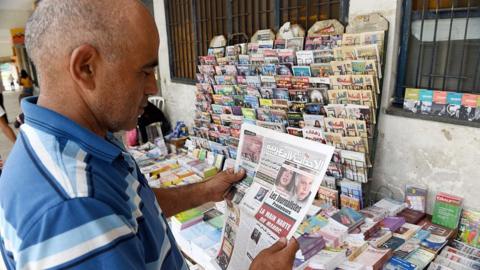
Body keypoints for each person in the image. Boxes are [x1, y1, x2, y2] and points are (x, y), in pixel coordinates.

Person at [0, 1, 298, 269]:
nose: (154, 87)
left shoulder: (78, 140)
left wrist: (205, 191)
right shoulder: (74, 207)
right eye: (144, 72)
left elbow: (132, 207)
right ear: (86, 67)